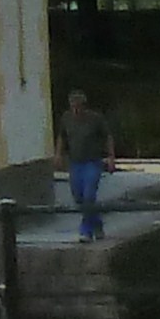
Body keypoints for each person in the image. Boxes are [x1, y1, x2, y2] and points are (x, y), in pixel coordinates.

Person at [60, 89, 113, 243]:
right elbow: (62, 136)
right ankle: (97, 224)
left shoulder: (95, 119)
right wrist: (58, 154)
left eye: (78, 107)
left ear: (84, 106)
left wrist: (111, 157)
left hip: (92, 162)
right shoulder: (66, 118)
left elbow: (108, 136)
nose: (75, 110)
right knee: (79, 197)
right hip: (75, 163)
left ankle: (86, 230)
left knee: (89, 195)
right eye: (73, 107)